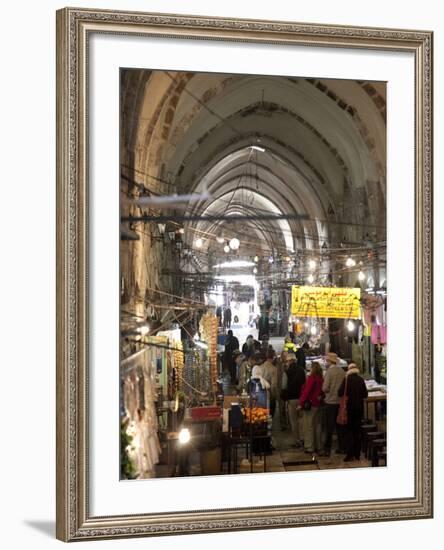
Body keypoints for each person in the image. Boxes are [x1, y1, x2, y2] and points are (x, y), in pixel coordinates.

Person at [338, 362, 368, 462]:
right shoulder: (360, 380)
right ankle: (357, 454)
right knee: (357, 431)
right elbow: (365, 395)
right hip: (359, 409)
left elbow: (340, 392)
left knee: (348, 432)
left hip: (348, 410)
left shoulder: (346, 380)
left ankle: (349, 454)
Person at [320, 352, 346, 456]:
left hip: (330, 402)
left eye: (327, 360)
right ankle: (342, 447)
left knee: (329, 427)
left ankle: (327, 449)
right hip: (339, 402)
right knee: (340, 426)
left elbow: (325, 388)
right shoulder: (342, 371)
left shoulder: (329, 372)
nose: (326, 362)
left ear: (330, 361)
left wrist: (326, 390)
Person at [298, 361, 324, 453]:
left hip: (311, 405)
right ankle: (319, 446)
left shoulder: (311, 378)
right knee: (318, 426)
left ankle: (310, 446)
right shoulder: (321, 378)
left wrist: (301, 403)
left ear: (312, 369)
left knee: (309, 426)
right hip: (319, 404)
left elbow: (306, 392)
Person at [282, 358, 306, 447]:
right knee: (302, 420)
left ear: (289, 362)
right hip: (301, 398)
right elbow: (305, 383)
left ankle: (297, 441)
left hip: (291, 399)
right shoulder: (302, 370)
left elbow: (284, 386)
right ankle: (304, 438)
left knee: (294, 421)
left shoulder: (286, 372)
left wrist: (284, 397)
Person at [260, 350, 279, 418]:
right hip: (270, 394)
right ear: (273, 357)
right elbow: (274, 385)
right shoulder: (274, 369)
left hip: (261, 393)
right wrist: (275, 395)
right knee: (270, 416)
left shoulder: (260, 367)